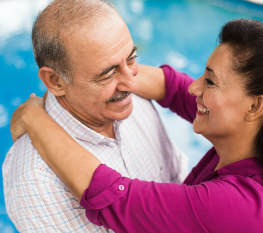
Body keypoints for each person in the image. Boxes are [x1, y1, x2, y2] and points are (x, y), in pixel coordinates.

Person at [10, 18, 263, 233]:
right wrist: (95, 80)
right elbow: (172, 86)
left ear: (255, 106)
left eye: (210, 81)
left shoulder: (237, 206)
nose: (194, 88)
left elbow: (113, 198)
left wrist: (34, 118)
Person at [2, 0, 188, 232]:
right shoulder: (35, 183)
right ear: (55, 81)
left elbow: (178, 177)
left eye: (131, 58)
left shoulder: (135, 98)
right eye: (108, 74)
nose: (131, 82)